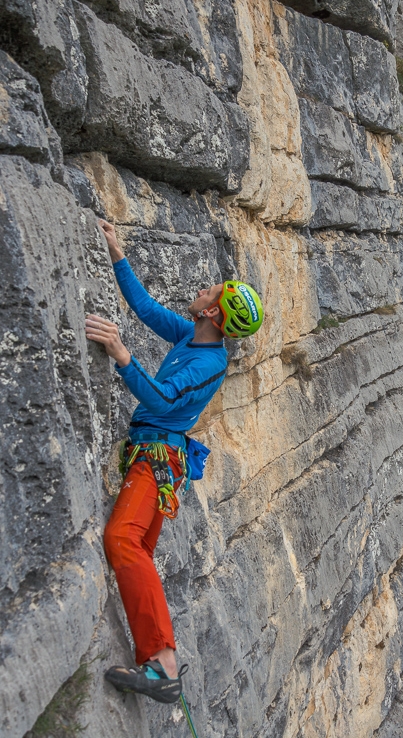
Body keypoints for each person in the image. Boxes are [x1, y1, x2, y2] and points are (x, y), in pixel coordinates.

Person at [85, 220, 263, 704]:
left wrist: (121, 354)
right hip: (158, 457)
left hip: (158, 458)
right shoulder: (192, 335)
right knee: (134, 544)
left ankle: (162, 665)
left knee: (122, 539)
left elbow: (163, 399)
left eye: (211, 290)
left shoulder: (210, 363)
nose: (201, 288)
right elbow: (144, 309)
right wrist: (118, 254)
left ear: (212, 311)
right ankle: (158, 658)